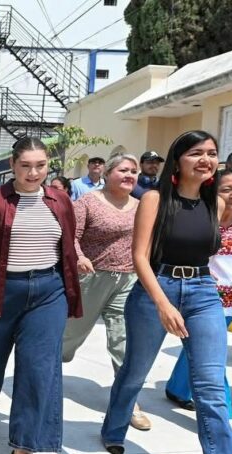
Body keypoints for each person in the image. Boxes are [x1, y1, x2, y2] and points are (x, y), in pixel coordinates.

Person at [102, 130, 232, 454]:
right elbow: (139, 257)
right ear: (179, 159)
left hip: (205, 291)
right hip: (158, 287)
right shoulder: (155, 198)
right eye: (196, 153)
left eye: (212, 153)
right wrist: (162, 304)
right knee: (135, 371)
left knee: (209, 389)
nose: (206, 160)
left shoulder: (217, 201)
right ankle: (113, 429)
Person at [0, 138, 81, 454]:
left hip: (48, 293)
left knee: (39, 367)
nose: (33, 173)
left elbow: (67, 244)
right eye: (26, 165)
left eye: (41, 165)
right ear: (12, 166)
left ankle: (24, 449)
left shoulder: (60, 200)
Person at [165, 169, 232, 412]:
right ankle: (223, 409)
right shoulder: (201, 217)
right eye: (227, 189)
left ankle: (178, 388)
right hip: (199, 295)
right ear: (213, 191)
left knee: (198, 346)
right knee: (212, 353)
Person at [61, 154, 150, 430]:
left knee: (123, 340)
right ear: (109, 173)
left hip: (127, 280)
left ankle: (128, 401)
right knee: (70, 336)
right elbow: (70, 235)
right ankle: (46, 369)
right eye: (123, 170)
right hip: (91, 278)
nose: (130, 175)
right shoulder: (88, 201)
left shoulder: (141, 205)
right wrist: (79, 257)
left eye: (133, 171)